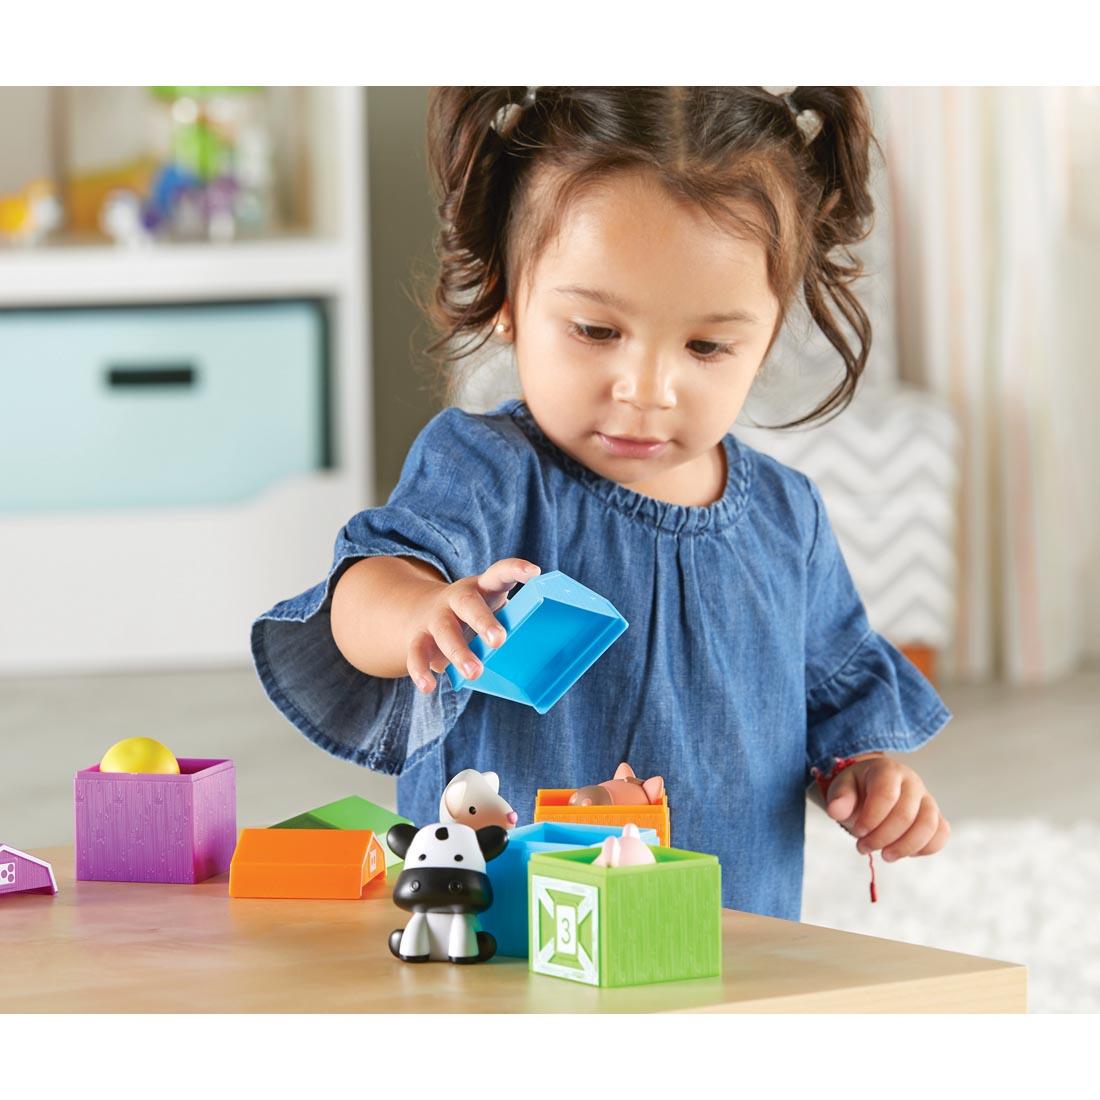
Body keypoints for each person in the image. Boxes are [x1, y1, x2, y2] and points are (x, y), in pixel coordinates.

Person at [251, 87, 951, 919]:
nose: (646, 389)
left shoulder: (786, 516)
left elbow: (840, 699)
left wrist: (869, 777)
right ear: (510, 300)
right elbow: (362, 594)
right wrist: (419, 611)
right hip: (508, 934)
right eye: (596, 330)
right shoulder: (485, 468)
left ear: (765, 336)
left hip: (728, 941)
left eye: (706, 345)